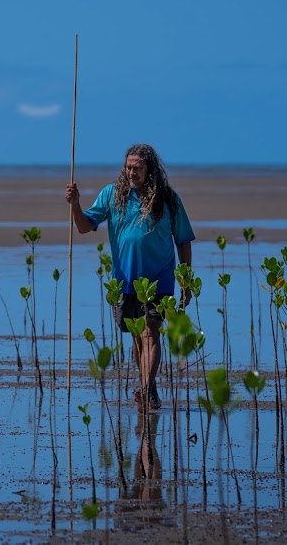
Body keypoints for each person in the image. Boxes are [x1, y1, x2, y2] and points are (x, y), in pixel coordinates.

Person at [65, 143, 195, 412]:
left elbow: (183, 241)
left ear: (150, 170)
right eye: (128, 167)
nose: (131, 172)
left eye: (137, 167)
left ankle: (145, 389)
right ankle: (151, 389)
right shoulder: (112, 194)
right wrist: (75, 204)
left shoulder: (168, 198)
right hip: (125, 279)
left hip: (159, 278)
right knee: (137, 337)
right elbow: (84, 226)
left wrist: (186, 279)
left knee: (150, 333)